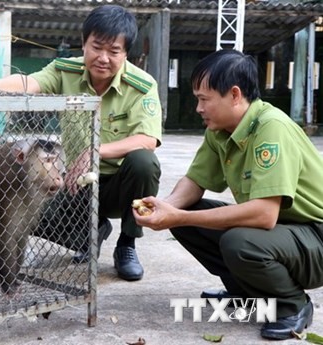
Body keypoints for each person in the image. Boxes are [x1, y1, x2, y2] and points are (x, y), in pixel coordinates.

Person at [0, 4, 162, 281]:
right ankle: (90, 231)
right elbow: (30, 82)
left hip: (120, 187)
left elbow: (148, 139)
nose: (103, 58)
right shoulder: (66, 70)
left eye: (113, 51)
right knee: (23, 213)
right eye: (96, 47)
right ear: (83, 44)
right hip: (76, 183)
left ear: (125, 53)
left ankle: (127, 243)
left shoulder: (142, 85)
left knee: (143, 163)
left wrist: (94, 151)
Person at [133, 49, 323, 340]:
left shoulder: (271, 128)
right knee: (189, 221)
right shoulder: (220, 129)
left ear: (234, 95)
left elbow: (263, 214)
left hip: (315, 237)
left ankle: (291, 306)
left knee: (239, 241)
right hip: (286, 232)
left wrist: (180, 215)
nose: (198, 108)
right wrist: (165, 208)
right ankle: (249, 296)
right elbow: (195, 181)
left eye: (204, 99)